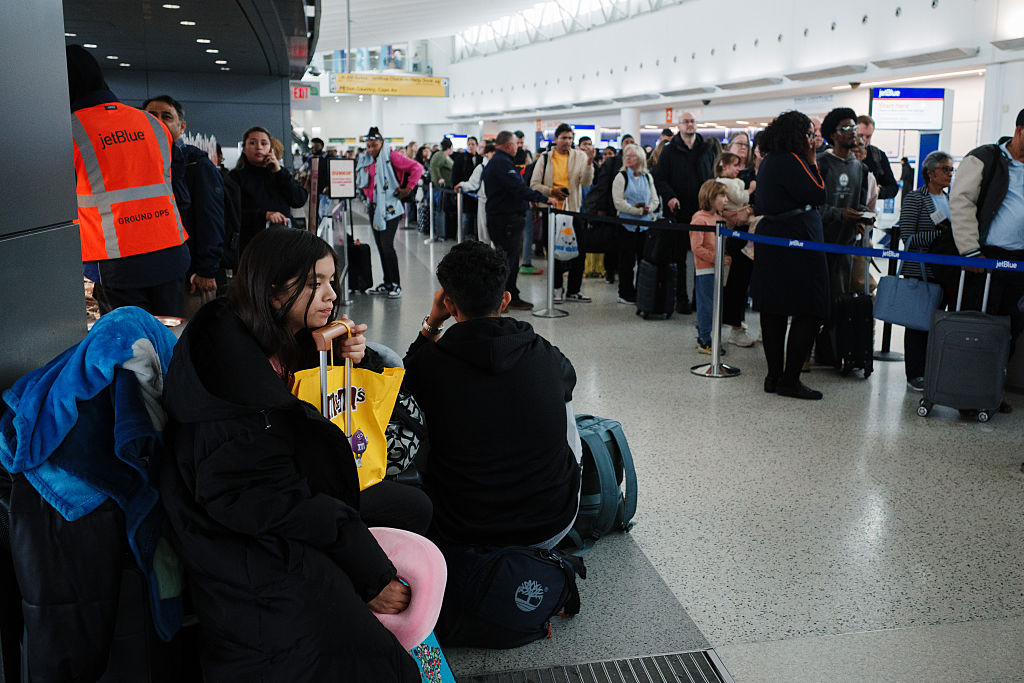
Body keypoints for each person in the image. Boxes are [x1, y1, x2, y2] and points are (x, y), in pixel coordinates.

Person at [159, 227, 430, 682]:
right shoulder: (229, 386)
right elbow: (273, 501)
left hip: (278, 500)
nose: (331, 294)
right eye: (313, 284)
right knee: (367, 658)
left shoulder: (255, 331)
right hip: (239, 540)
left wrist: (340, 356)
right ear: (271, 288)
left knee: (413, 506)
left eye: (331, 280)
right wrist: (372, 575)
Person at [403, 241, 580, 550]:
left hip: (463, 531)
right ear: (505, 300)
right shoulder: (547, 354)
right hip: (552, 525)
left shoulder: (429, 364)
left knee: (419, 416)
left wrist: (432, 324)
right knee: (563, 402)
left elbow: (400, 387)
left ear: (449, 305)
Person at [66, 45, 190, 317]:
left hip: (116, 261)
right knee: (169, 343)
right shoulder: (151, 123)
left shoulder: (69, 131)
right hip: (170, 251)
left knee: (131, 351)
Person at [750, 110, 828, 400]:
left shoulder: (770, 159)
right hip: (799, 235)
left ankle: (773, 376)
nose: (813, 140)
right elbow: (819, 193)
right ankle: (790, 379)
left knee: (774, 309)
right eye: (810, 134)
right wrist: (812, 158)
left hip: (772, 236)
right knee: (811, 308)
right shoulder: (795, 160)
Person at [142, 95, 226, 318]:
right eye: (151, 115)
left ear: (181, 126)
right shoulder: (139, 163)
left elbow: (211, 218)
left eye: (166, 116)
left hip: (190, 277)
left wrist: (206, 270)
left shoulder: (196, 164)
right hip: (150, 273)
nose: (158, 120)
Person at [950, 107, 1024, 352]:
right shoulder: (984, 158)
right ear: (1019, 131)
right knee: (979, 326)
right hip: (986, 259)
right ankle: (968, 382)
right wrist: (970, 249)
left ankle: (994, 383)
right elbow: (961, 202)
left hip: (1020, 262)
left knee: (1012, 326)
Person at [482, 131, 559, 311]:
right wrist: (543, 198)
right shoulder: (502, 163)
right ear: (509, 145)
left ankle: (509, 296)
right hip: (505, 218)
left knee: (508, 260)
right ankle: (503, 299)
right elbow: (517, 187)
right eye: (516, 144)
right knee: (506, 261)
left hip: (503, 216)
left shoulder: (500, 161)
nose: (518, 147)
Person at [897, 151, 954, 391]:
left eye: (952, 169)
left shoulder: (951, 199)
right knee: (918, 324)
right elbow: (907, 237)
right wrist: (942, 235)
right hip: (921, 271)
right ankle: (915, 373)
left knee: (938, 323)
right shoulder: (915, 199)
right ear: (930, 173)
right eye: (945, 169)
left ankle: (932, 369)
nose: (950, 174)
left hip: (945, 272)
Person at [653, 112, 718, 314]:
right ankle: (681, 298)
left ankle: (700, 300)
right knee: (679, 259)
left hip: (703, 212)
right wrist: (670, 197)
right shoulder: (670, 151)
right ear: (678, 126)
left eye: (692, 122)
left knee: (704, 257)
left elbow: (712, 176)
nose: (689, 125)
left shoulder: (706, 149)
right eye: (685, 122)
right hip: (679, 213)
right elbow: (660, 178)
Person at [530, 123, 596, 302]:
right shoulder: (545, 158)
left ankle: (574, 290)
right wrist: (552, 191)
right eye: (564, 138)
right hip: (552, 212)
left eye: (570, 138)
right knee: (554, 252)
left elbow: (586, 182)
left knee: (579, 251)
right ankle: (557, 288)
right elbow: (534, 184)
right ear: (556, 139)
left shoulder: (580, 156)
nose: (567, 141)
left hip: (573, 210)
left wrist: (589, 163)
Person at [355, 126, 423, 299]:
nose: (371, 149)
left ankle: (396, 284)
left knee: (387, 246)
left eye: (374, 145)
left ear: (382, 143)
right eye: (368, 146)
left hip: (390, 207)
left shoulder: (392, 156)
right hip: (374, 207)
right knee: (380, 246)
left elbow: (417, 168)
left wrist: (408, 188)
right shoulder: (368, 160)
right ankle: (387, 282)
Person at [817, 107, 872, 300]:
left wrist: (864, 216)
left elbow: (860, 203)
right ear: (833, 135)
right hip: (819, 244)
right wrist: (838, 213)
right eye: (845, 127)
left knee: (840, 302)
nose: (852, 131)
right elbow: (812, 206)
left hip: (846, 246)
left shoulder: (860, 168)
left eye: (853, 126)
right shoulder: (820, 163)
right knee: (818, 302)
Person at [228, 125, 307, 255]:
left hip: (284, 244)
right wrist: (264, 215)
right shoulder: (235, 178)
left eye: (264, 143)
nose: (259, 147)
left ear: (270, 148)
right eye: (252, 143)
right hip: (251, 246)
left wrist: (278, 171)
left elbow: (299, 199)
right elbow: (233, 214)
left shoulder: (279, 174)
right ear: (244, 148)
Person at [611, 143, 660, 304]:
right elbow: (618, 203)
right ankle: (625, 292)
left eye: (631, 156)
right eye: (626, 156)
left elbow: (654, 199)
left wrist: (649, 209)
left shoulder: (647, 177)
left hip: (645, 225)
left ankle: (641, 291)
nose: (628, 159)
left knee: (643, 260)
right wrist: (637, 211)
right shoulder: (621, 177)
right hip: (626, 225)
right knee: (626, 262)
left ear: (640, 158)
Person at [690, 181, 732, 354]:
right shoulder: (700, 218)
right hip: (705, 270)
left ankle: (708, 335)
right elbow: (697, 247)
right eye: (722, 196)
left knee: (714, 305)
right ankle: (704, 339)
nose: (726, 200)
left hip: (717, 269)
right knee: (706, 305)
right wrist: (717, 258)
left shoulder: (719, 218)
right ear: (710, 197)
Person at [455, 141, 496, 242]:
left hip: (497, 203)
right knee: (484, 232)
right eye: (492, 152)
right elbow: (472, 184)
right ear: (487, 153)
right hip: (484, 202)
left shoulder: (500, 167)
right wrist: (461, 185)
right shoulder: (481, 168)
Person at [856, 115, 900, 200]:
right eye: (860, 136)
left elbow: (893, 188)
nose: (864, 140)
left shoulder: (878, 155)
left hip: (867, 209)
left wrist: (879, 191)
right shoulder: (843, 154)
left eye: (868, 136)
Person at [451, 136, 483, 240]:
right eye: (469, 144)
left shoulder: (481, 159)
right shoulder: (460, 159)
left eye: (473, 144)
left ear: (477, 146)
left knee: (477, 221)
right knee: (465, 220)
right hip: (464, 196)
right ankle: (462, 241)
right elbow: (455, 176)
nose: (470, 146)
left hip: (478, 196)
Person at [429, 138, 455, 239]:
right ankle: (441, 233)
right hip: (442, 188)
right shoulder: (440, 155)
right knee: (441, 210)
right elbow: (434, 167)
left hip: (447, 187)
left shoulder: (445, 156)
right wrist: (439, 179)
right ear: (449, 147)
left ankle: (445, 232)